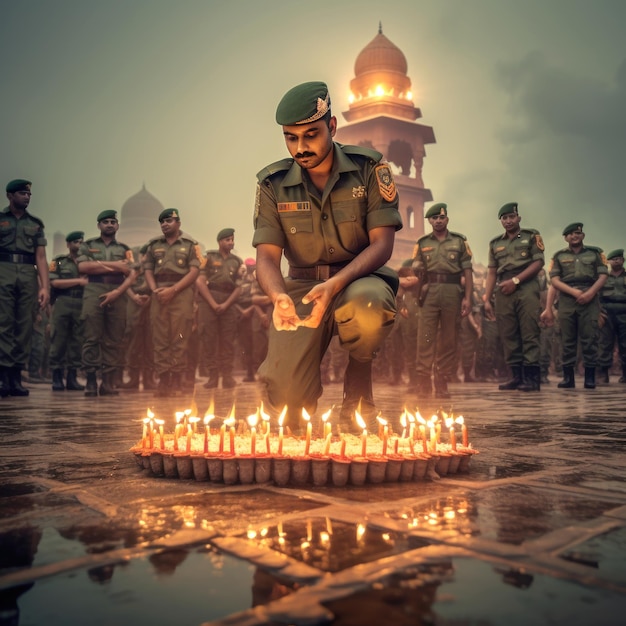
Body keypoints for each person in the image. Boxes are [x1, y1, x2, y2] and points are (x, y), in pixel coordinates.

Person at [252, 81, 402, 430]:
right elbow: (267, 259)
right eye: (291, 137)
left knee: (367, 308)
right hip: (303, 287)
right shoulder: (272, 184)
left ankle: (357, 393)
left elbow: (382, 244)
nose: (301, 148)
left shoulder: (369, 169)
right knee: (288, 403)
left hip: (358, 282)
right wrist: (277, 297)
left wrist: (335, 284)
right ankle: (292, 384)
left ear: (332, 127)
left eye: (311, 135)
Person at [411, 203, 473, 399]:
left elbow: (467, 272)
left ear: (447, 219)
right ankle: (422, 381)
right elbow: (416, 269)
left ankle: (442, 381)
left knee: (449, 337)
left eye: (441, 218)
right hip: (429, 292)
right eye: (434, 218)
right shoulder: (421, 243)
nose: (438, 221)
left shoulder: (459, 241)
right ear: (429, 221)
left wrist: (468, 298)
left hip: (452, 291)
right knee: (425, 337)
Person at [483, 202, 545, 392]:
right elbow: (492, 272)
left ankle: (532, 379)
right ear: (500, 221)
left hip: (526, 286)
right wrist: (486, 298)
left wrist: (516, 281)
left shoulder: (530, 236)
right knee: (508, 334)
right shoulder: (495, 243)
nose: (508, 221)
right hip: (503, 288)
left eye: (511, 217)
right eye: (504, 218)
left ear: (518, 218)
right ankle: (516, 377)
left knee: (529, 331)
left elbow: (538, 263)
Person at [77, 210, 137, 396]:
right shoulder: (87, 246)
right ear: (99, 226)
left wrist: (118, 291)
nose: (109, 224)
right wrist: (117, 266)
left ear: (117, 225)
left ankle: (108, 382)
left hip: (117, 291)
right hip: (94, 290)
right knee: (91, 336)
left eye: (113, 222)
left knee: (114, 338)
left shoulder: (125, 249)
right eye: (105, 222)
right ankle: (91, 381)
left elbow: (132, 274)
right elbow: (83, 267)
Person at [541, 223, 608, 389]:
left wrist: (590, 293)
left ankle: (590, 378)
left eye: (577, 233)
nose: (574, 236)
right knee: (566, 339)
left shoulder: (595, 253)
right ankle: (568, 378)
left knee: (590, 338)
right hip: (567, 300)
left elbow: (602, 276)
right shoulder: (558, 256)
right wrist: (574, 293)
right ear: (565, 238)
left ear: (582, 235)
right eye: (570, 234)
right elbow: (555, 280)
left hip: (590, 298)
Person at [143, 208, 202, 396]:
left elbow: (194, 272)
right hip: (159, 292)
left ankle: (176, 379)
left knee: (179, 338)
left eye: (169, 220)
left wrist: (173, 290)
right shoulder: (153, 245)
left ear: (178, 223)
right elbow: (148, 269)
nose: (165, 224)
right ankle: (163, 379)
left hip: (181, 293)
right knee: (160, 338)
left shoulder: (191, 245)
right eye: (162, 222)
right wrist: (154, 290)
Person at [0, 179, 49, 397]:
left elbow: (41, 257)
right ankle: (4, 378)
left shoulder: (35, 224)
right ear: (10, 196)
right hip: (4, 270)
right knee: (3, 324)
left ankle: (16, 377)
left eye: (29, 194)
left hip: (28, 273)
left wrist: (45, 287)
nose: (27, 197)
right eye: (22, 194)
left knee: (24, 325)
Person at [196, 228, 242, 389]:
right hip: (209, 299)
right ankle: (213, 376)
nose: (230, 242)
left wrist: (225, 304)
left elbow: (238, 287)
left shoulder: (237, 261)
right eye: (227, 240)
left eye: (232, 239)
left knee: (228, 340)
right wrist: (213, 304)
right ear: (219, 242)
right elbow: (201, 282)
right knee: (209, 339)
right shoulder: (208, 258)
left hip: (228, 301)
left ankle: (227, 376)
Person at [48, 230, 87, 391]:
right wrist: (78, 281)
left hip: (81, 302)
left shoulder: (87, 263)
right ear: (68, 244)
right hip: (63, 301)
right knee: (59, 340)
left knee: (77, 341)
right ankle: (57, 377)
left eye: (80, 242)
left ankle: (72, 378)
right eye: (75, 242)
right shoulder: (58, 262)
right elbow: (55, 283)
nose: (78, 245)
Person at [597, 249, 626, 383]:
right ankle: (603, 374)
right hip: (607, 313)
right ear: (608, 262)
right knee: (605, 344)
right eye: (613, 258)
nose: (616, 260)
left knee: (625, 345)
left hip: (624, 313)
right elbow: (597, 295)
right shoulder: (603, 278)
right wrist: (599, 312)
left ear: (623, 260)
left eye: (619, 258)